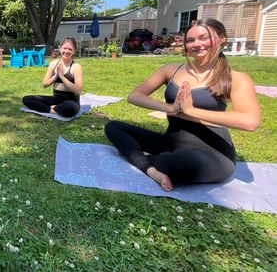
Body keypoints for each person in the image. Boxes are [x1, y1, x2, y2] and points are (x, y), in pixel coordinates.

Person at [105, 18, 260, 191]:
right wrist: (170, 109)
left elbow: (250, 121)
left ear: (222, 38)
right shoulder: (172, 70)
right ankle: (152, 170)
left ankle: (149, 160)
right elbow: (135, 96)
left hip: (212, 154)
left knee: (168, 162)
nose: (196, 44)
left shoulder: (236, 78)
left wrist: (191, 111)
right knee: (114, 127)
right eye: (190, 40)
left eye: (203, 38)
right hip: (172, 143)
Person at [22, 37, 82, 117]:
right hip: (55, 99)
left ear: (74, 51)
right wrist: (56, 76)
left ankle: (54, 108)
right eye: (64, 48)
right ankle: (52, 110)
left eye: (70, 49)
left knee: (69, 108)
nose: (66, 51)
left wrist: (62, 76)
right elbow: (45, 85)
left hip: (71, 101)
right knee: (27, 99)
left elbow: (77, 90)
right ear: (60, 49)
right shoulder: (53, 64)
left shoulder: (76, 67)